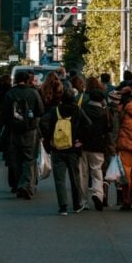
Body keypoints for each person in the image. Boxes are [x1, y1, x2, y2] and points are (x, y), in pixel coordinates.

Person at [40, 87, 90, 215]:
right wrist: (80, 140)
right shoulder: (78, 111)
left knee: (59, 178)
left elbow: (42, 123)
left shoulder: (55, 110)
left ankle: (63, 206)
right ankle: (77, 204)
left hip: (57, 148)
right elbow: (88, 125)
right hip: (73, 148)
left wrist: (49, 138)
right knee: (75, 177)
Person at [0, 70, 44, 199]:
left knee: (16, 158)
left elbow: (5, 114)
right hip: (30, 130)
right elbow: (40, 110)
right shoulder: (33, 93)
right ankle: (26, 185)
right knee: (29, 158)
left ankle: (20, 184)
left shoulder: (10, 94)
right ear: (27, 80)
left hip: (14, 130)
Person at [79, 88, 112, 210]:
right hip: (98, 145)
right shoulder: (104, 113)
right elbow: (108, 129)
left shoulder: (83, 110)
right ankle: (98, 193)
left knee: (83, 173)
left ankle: (83, 201)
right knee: (97, 171)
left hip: (83, 145)